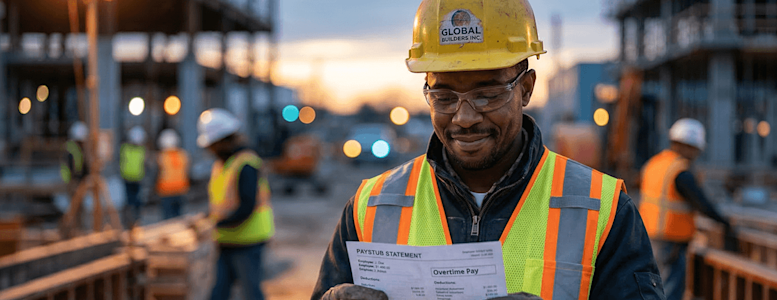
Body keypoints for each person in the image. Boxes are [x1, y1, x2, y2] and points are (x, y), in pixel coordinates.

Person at [312, 0, 665, 299]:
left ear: (525, 89)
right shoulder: (371, 205)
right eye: (444, 97)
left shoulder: (601, 208)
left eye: (487, 94)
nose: (464, 118)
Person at [639, 118, 735, 300]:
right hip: (671, 241)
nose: (697, 154)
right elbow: (702, 203)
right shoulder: (680, 171)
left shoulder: (655, 164)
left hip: (649, 236)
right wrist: (725, 222)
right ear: (689, 146)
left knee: (652, 288)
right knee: (670, 289)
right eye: (696, 149)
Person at [198, 108, 275, 300]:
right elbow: (222, 203)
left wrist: (214, 225)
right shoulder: (222, 165)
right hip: (226, 239)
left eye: (212, 145)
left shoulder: (246, 163)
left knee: (250, 293)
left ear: (223, 140)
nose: (210, 150)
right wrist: (208, 218)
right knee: (218, 292)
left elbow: (247, 206)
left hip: (248, 240)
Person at [155, 129, 190, 220]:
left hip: (166, 190)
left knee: (168, 219)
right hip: (181, 189)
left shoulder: (161, 156)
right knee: (178, 217)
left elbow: (157, 173)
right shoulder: (183, 155)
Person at [120, 126, 147, 223]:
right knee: (131, 201)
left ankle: (134, 221)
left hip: (135, 179)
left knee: (135, 201)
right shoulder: (137, 150)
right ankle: (131, 221)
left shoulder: (125, 148)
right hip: (130, 179)